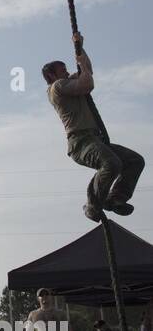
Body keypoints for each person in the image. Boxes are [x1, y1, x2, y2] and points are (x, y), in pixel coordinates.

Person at [42, 32, 145, 221]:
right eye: (62, 70)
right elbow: (87, 82)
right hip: (80, 142)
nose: (66, 72)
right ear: (51, 75)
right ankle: (93, 204)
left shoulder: (68, 83)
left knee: (135, 161)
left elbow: (87, 70)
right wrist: (80, 62)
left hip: (95, 139)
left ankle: (115, 198)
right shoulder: (57, 88)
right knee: (111, 163)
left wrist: (80, 47)